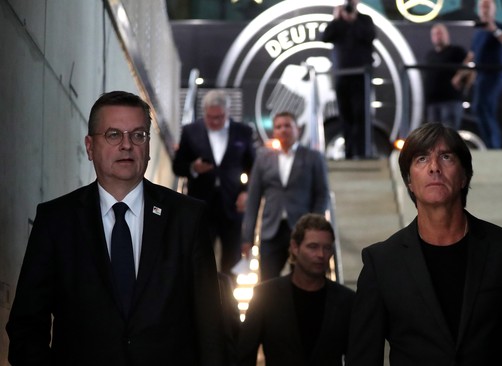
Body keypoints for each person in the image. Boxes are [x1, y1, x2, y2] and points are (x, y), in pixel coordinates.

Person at [6, 91, 226, 366]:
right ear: (89, 146)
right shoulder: (56, 220)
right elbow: (26, 325)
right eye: (113, 135)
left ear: (147, 147)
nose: (126, 145)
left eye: (137, 135)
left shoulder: (187, 218)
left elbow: (211, 329)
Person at [346, 122, 502, 366]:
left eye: (446, 157)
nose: (434, 168)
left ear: (464, 176)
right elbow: (362, 357)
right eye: (421, 159)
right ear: (410, 182)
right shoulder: (381, 262)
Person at [238, 213, 355, 366]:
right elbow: (244, 354)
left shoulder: (347, 300)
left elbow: (358, 356)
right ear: (295, 247)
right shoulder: (266, 295)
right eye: (313, 247)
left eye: (327, 248)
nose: (321, 254)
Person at [173, 89, 255, 278]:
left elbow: (253, 167)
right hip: (201, 206)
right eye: (211, 117)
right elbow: (178, 166)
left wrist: (246, 191)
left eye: (220, 117)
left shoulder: (243, 131)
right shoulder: (190, 131)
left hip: (233, 205)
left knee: (232, 260)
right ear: (204, 113)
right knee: (201, 258)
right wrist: (194, 167)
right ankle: (205, 302)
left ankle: (229, 304)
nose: (215, 121)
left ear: (228, 112)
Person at [241, 112, 329, 281]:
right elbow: (253, 200)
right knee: (267, 284)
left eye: (288, 125)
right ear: (274, 131)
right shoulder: (263, 158)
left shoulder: (313, 157)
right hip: (270, 232)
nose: (283, 130)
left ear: (297, 128)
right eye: (278, 127)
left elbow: (322, 194)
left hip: (303, 231)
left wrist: (315, 227)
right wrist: (247, 237)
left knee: (304, 280)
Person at [321, 0, 375, 159]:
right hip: (342, 76)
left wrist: (353, 20)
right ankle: (349, 153)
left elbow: (369, 36)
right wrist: (336, 18)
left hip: (360, 77)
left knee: (361, 115)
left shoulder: (365, 20)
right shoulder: (338, 23)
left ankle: (363, 152)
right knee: (345, 116)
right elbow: (325, 37)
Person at [467, 0, 502, 148]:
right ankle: (489, 144)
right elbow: (472, 55)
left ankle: (494, 145)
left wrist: (494, 30)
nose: (485, 9)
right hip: (481, 76)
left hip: (494, 75)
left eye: (487, 6)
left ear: (494, 9)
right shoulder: (479, 32)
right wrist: (462, 74)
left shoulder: (500, 27)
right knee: (480, 109)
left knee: (486, 107)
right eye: (482, 6)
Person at [424, 23, 471, 130]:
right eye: (435, 34)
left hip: (451, 100)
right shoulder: (430, 55)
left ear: (447, 34)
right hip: (433, 102)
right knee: (433, 135)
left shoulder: (456, 51)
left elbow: (470, 67)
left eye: (440, 33)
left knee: (449, 134)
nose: (438, 36)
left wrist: (459, 79)